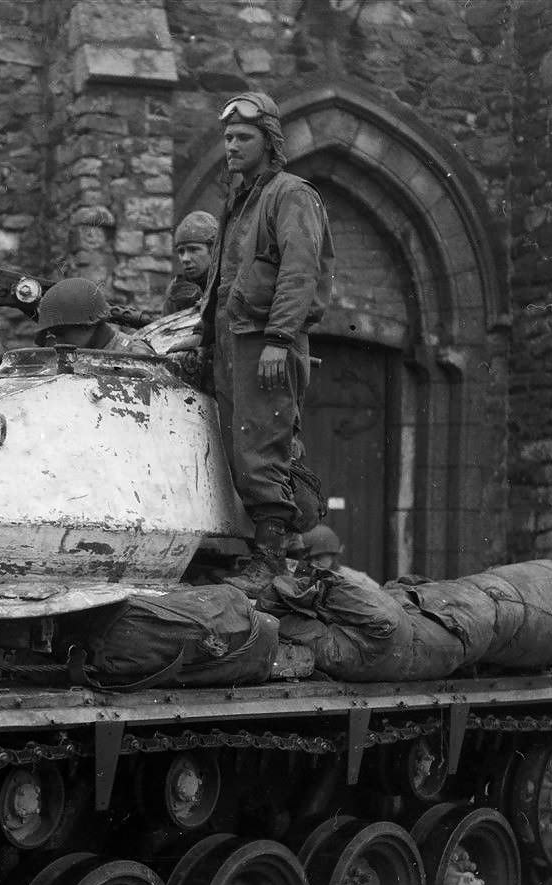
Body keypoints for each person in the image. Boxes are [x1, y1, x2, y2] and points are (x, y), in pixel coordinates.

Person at [202, 91, 334, 598]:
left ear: (269, 141)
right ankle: (261, 554)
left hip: (266, 343)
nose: (231, 146)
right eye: (227, 137)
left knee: (261, 447)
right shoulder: (239, 202)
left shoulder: (290, 194)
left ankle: (272, 559)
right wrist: (201, 339)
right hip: (231, 342)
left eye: (243, 137)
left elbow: (300, 270)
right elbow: (220, 283)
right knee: (239, 449)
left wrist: (280, 337)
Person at [34, 278, 153, 354]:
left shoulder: (134, 356)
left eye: (60, 332)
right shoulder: (69, 354)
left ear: (88, 326)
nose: (55, 342)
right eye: (50, 334)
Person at [164, 210, 217, 312]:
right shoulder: (176, 290)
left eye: (193, 249)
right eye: (181, 251)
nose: (185, 258)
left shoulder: (228, 283)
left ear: (213, 250)